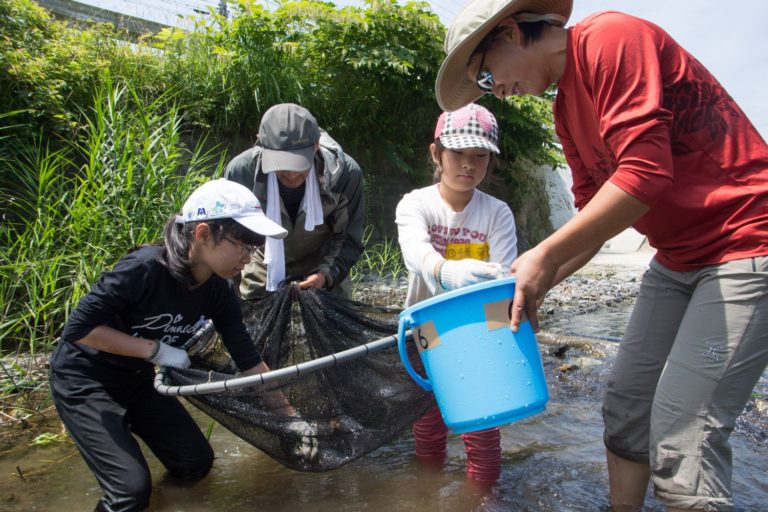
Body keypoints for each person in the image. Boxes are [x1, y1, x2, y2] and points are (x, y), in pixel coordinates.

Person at [434, 0, 768, 510]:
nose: (494, 90)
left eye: (485, 74)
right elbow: (596, 219)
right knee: (626, 407)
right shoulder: (564, 110)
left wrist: (543, 256)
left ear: (510, 33)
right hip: (676, 258)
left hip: (746, 241)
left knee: (685, 439)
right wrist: (531, 284)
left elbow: (645, 175)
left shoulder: (611, 39)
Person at [49, 179, 299, 512]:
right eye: (242, 244)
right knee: (130, 493)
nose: (249, 257)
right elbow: (78, 329)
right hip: (84, 379)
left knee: (195, 462)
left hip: (136, 381)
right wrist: (155, 351)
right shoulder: (143, 270)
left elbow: (248, 359)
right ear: (203, 234)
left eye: (254, 248)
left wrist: (290, 417)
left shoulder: (219, 291)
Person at [395, 103, 518, 485]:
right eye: (458, 155)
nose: (468, 165)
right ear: (437, 154)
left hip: (481, 332)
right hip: (426, 330)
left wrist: (502, 342)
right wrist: (445, 270)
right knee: (428, 423)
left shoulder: (497, 213)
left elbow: (504, 278)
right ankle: (428, 494)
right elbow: (416, 252)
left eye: (479, 157)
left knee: (483, 428)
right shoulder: (416, 203)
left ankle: (484, 498)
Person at [224, 103, 365, 299]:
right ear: (261, 143)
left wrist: (326, 276)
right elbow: (230, 239)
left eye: (300, 166)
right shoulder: (241, 172)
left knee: (335, 319)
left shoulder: (345, 175)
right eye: (280, 165)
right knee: (251, 319)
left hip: (323, 258)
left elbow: (348, 238)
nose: (291, 176)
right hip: (262, 255)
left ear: (316, 145)